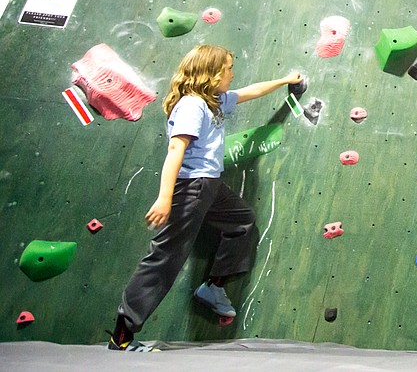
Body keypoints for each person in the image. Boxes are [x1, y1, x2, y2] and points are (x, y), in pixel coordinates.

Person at [107, 44, 301, 352]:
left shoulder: (216, 101)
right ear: (212, 74)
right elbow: (176, 150)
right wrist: (164, 197)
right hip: (192, 188)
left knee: (242, 221)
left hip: (210, 186)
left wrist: (285, 80)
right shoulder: (192, 106)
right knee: (166, 257)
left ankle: (213, 287)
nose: (232, 74)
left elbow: (252, 91)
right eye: (228, 68)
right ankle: (122, 335)